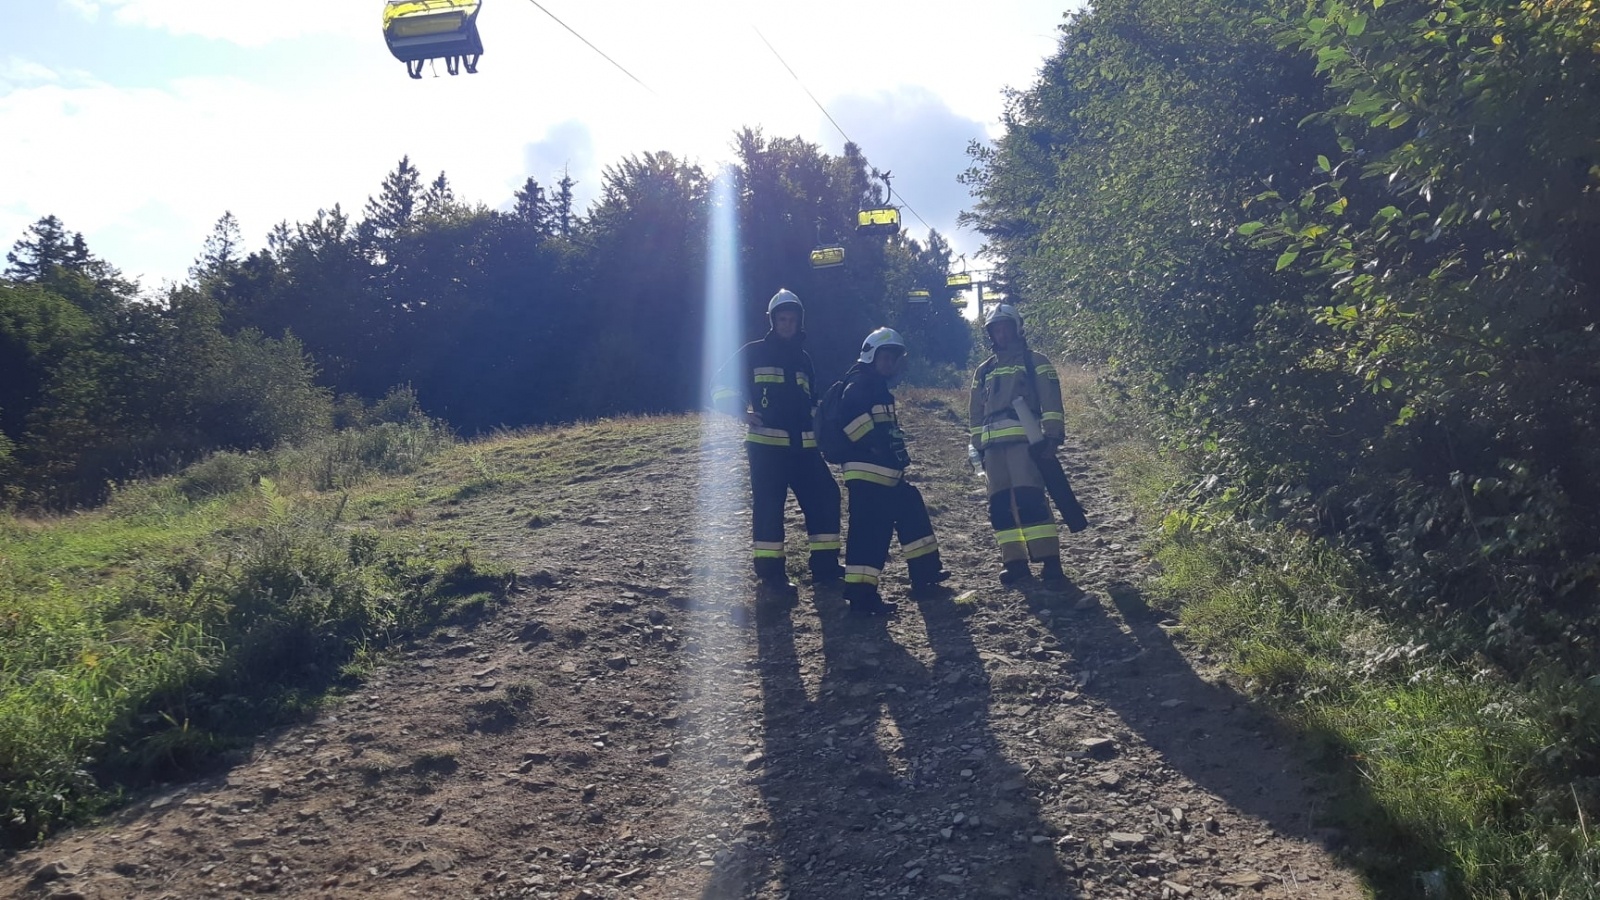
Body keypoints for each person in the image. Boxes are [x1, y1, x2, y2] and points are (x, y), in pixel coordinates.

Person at [711, 289, 844, 598]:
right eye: (782, 319)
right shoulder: (752, 352)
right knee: (769, 508)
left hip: (805, 447)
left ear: (799, 322)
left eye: (792, 320)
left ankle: (825, 568)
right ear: (772, 321)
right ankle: (772, 577)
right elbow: (719, 385)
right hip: (767, 447)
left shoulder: (803, 358)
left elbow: (810, 401)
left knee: (826, 496)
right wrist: (738, 411)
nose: (787, 324)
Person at [835, 327, 949, 615]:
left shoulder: (876, 385)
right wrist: (875, 445)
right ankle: (861, 598)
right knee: (869, 533)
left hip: (885, 474)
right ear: (871, 355)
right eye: (884, 357)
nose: (888, 363)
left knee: (911, 509)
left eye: (893, 359)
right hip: (867, 474)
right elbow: (850, 418)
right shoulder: (860, 383)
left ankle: (926, 575)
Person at [969, 304, 1070, 586]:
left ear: (1017, 328)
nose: (1001, 333)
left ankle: (1049, 561)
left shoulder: (1035, 361)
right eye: (995, 329)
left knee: (1030, 499)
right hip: (992, 449)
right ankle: (1014, 563)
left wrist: (1052, 437)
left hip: (1024, 443)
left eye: (1005, 327)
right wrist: (977, 446)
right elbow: (975, 411)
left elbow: (1051, 401)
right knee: (1000, 506)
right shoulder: (984, 370)